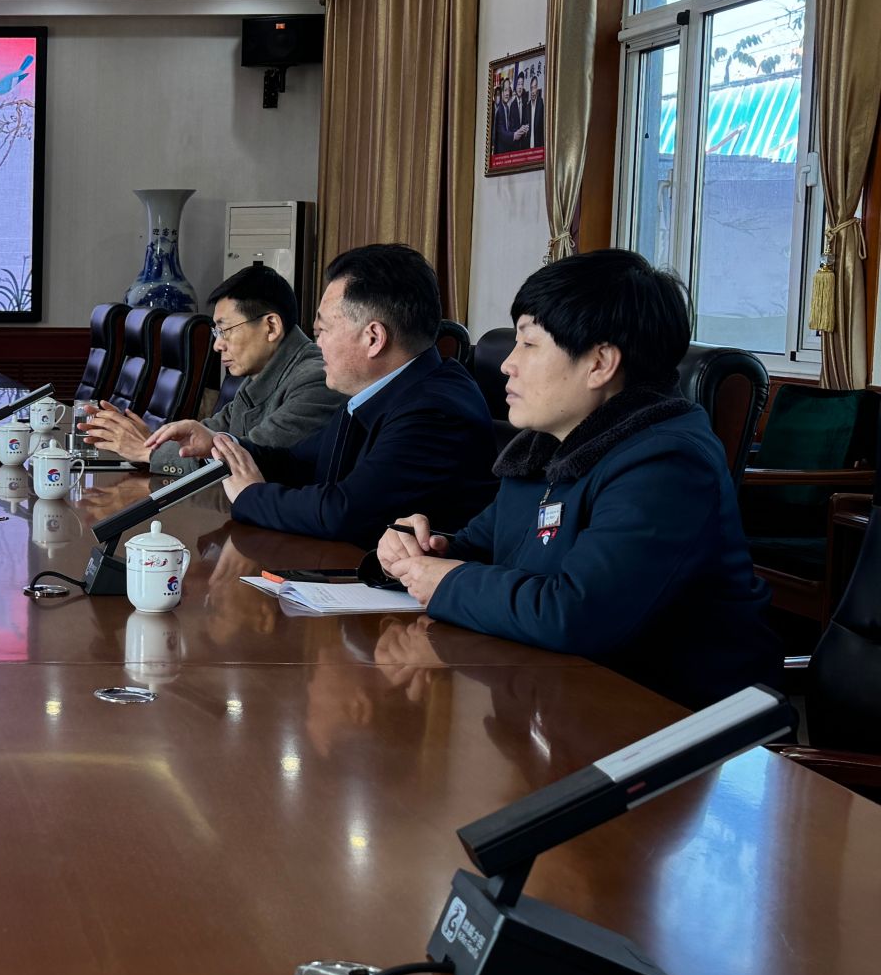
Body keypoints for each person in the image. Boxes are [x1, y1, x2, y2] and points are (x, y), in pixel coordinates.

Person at [377, 249, 777, 709]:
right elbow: (476, 549)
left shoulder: (667, 463)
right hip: (557, 697)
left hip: (670, 720)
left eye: (529, 344)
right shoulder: (548, 446)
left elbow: (577, 614)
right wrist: (416, 551)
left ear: (600, 363)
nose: (507, 364)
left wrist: (445, 581)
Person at [216, 243, 497, 546]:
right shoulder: (378, 391)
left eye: (323, 331)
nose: (318, 344)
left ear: (373, 338)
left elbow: (344, 513)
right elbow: (298, 462)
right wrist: (222, 447)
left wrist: (250, 495)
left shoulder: (436, 412)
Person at [78, 264, 340, 473]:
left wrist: (148, 452)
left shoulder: (317, 380)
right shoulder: (262, 375)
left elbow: (249, 457)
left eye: (225, 330)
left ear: (271, 327)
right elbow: (209, 433)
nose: (217, 345)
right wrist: (152, 440)